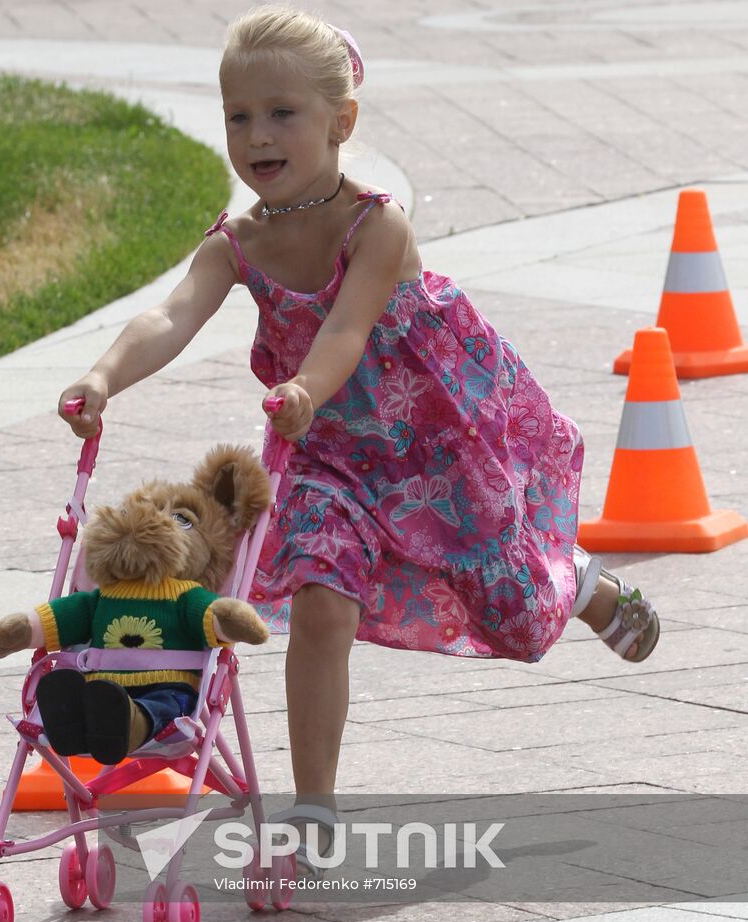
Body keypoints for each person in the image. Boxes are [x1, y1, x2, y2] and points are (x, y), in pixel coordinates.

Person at [58, 5, 659, 873]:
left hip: (441, 439)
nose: (257, 134)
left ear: (341, 123)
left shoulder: (376, 226)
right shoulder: (239, 242)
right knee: (318, 595)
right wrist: (103, 375)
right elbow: (171, 311)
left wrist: (303, 382)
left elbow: (343, 332)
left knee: (511, 599)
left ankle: (579, 580)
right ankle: (314, 806)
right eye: (237, 116)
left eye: (281, 113)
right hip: (330, 452)